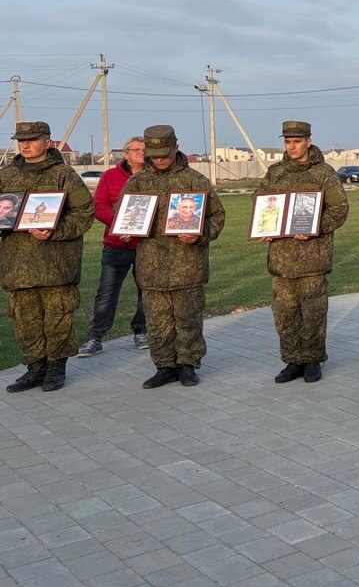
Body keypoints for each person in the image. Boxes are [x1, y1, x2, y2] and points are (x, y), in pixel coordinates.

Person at [120, 125, 225, 389]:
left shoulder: (195, 180)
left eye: (164, 154)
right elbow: (122, 212)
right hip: (151, 266)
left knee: (188, 319)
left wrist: (200, 235)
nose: (159, 159)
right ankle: (164, 367)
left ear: (176, 147)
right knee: (157, 323)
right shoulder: (138, 182)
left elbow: (217, 216)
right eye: (154, 155)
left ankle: (188, 365)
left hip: (187, 265)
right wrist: (126, 230)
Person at [0, 121, 95, 393]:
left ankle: (56, 368)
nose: (25, 145)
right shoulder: (6, 175)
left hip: (56, 264)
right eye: (21, 140)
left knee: (58, 320)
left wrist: (57, 230)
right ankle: (34, 369)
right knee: (26, 322)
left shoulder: (63, 175)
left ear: (48, 141)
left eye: (32, 139)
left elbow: (84, 212)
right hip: (18, 264)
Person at [255, 121, 349, 384]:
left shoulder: (323, 173)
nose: (291, 146)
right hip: (281, 259)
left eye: (297, 141)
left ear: (308, 141)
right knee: (284, 315)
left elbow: (340, 209)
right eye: (287, 141)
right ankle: (292, 360)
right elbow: (260, 202)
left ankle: (313, 360)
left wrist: (315, 227)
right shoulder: (275, 173)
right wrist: (264, 225)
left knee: (313, 314)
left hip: (312, 259)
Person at [78, 137, 149, 357]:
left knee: (147, 292)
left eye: (144, 149)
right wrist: (122, 225)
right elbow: (100, 206)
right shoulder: (110, 176)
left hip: (147, 245)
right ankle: (95, 337)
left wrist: (137, 229)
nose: (141, 153)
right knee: (106, 293)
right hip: (116, 243)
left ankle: (141, 331)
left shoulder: (154, 176)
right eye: (136, 149)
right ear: (125, 153)